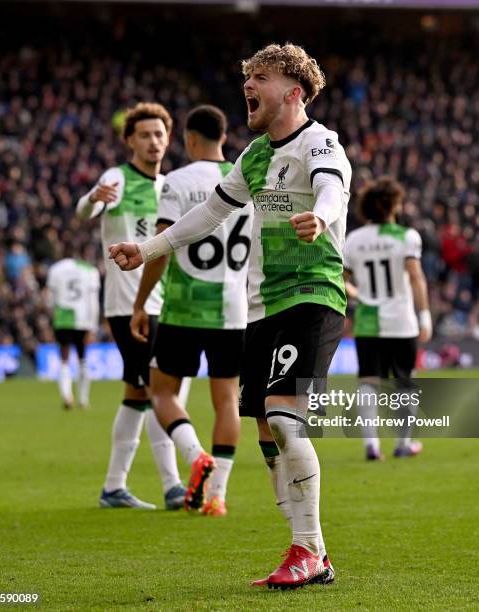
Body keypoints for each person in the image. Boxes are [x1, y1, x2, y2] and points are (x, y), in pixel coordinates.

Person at [109, 44, 352, 588]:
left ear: (293, 91)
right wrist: (148, 250)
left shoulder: (320, 142)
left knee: (284, 415)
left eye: (260, 77)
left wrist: (323, 215)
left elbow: (333, 186)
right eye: (247, 76)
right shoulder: (255, 155)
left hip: (311, 293)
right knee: (267, 429)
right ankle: (309, 548)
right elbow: (212, 212)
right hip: (261, 305)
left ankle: (307, 550)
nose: (248, 85)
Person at [131, 105, 252, 516]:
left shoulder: (177, 182)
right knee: (227, 401)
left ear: (190, 138)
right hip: (234, 309)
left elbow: (163, 246)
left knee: (160, 391)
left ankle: (195, 454)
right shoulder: (246, 180)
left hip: (184, 308)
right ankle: (217, 495)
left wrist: (142, 301)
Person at [76, 103, 186, 511]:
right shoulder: (116, 179)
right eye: (144, 135)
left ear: (168, 139)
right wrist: (92, 198)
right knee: (160, 391)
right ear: (129, 141)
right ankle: (174, 485)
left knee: (138, 393)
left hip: (165, 302)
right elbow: (85, 211)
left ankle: (113, 487)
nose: (153, 142)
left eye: (159, 134)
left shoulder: (170, 187)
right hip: (127, 305)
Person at [343, 176, 432, 460]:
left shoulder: (354, 240)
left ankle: (371, 445)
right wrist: (425, 315)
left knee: (368, 382)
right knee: (404, 383)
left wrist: (361, 295)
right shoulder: (406, 237)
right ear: (393, 204)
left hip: (368, 322)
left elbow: (340, 279)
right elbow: (416, 277)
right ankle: (403, 444)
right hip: (401, 321)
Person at [46, 248, 100, 410]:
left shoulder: (55, 269)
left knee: (64, 359)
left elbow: (50, 300)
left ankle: (66, 395)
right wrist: (93, 326)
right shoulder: (90, 270)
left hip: (63, 318)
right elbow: (93, 301)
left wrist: (52, 319)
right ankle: (83, 400)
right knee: (83, 359)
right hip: (84, 319)